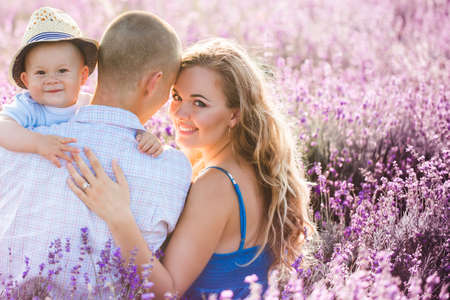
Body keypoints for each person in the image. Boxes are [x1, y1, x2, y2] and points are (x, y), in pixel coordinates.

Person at [67, 38, 314, 299]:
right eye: (177, 96)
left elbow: (168, 291)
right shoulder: (251, 167)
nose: (180, 112)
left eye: (199, 103)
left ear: (234, 114)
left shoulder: (216, 185)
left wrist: (119, 217)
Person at [0, 10, 191, 297]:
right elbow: (164, 287)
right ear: (154, 82)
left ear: (89, 73)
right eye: (171, 93)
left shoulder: (15, 144)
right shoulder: (173, 168)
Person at [0, 7, 163, 169]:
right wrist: (37, 142)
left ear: (83, 76)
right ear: (26, 80)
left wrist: (142, 135)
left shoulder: (89, 104)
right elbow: (3, 127)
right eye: (40, 72)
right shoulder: (28, 107)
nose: (51, 80)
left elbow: (119, 122)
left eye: (62, 71)